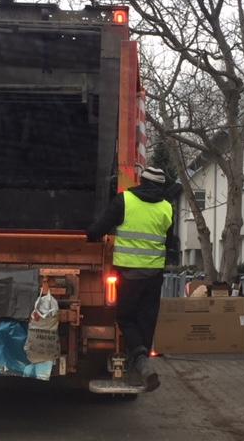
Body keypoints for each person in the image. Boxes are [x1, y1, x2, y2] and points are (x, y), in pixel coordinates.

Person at [86, 166, 175, 392]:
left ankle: (140, 358)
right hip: (153, 274)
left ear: (141, 181)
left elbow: (99, 229)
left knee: (125, 317)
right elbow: (170, 242)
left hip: (129, 273)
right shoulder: (167, 207)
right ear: (161, 186)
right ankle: (140, 368)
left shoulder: (124, 201)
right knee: (146, 319)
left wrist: (89, 236)